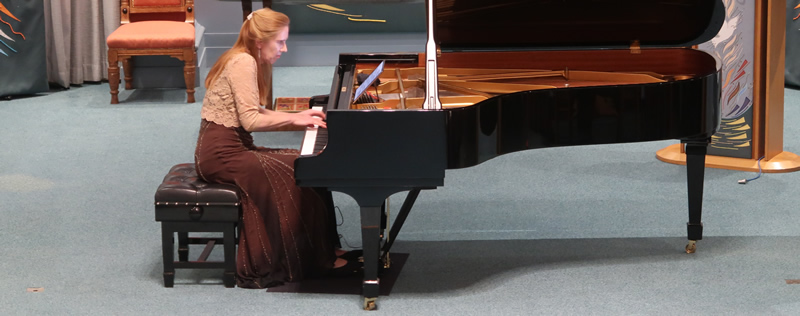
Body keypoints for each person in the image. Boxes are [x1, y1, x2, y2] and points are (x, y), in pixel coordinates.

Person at [194, 8, 360, 289]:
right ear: (260, 41)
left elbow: (258, 111)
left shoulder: (246, 59)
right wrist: (296, 118)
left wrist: (301, 120)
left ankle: (326, 249)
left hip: (232, 147)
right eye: (280, 42)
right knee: (297, 170)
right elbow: (251, 120)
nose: (284, 48)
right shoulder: (243, 63)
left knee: (309, 161)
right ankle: (312, 258)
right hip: (221, 155)